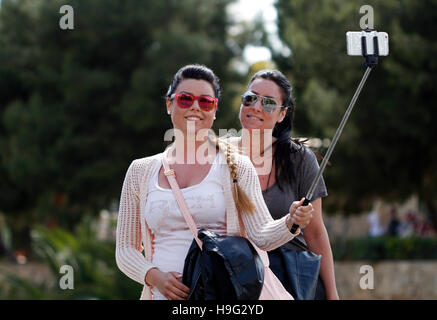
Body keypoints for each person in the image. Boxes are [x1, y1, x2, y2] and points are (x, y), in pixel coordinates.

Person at [115, 64, 314, 300]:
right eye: (185, 99)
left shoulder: (237, 167)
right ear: (169, 104)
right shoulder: (140, 170)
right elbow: (125, 249)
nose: (196, 107)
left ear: (215, 109)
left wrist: (291, 222)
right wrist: (154, 276)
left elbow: (261, 234)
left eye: (205, 102)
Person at [230, 69, 339, 300]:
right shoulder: (219, 154)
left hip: (290, 277)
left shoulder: (299, 159)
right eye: (251, 98)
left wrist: (332, 294)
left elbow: (316, 233)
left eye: (269, 103)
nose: (256, 107)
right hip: (235, 280)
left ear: (282, 114)